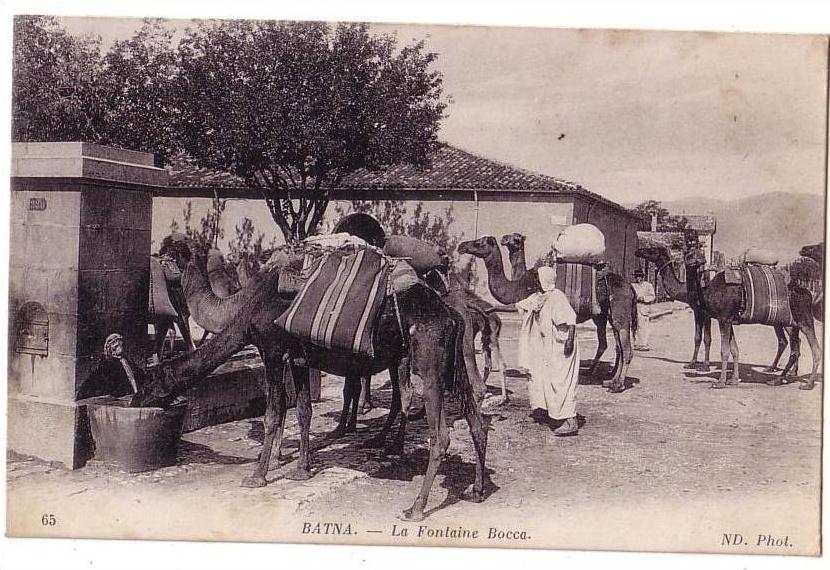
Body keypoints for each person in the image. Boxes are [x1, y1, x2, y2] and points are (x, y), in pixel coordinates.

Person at [516, 265, 580, 436]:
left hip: (562, 344)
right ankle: (550, 413)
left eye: (538, 279)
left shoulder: (557, 296)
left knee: (561, 382)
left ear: (545, 280)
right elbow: (521, 305)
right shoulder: (538, 298)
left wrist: (569, 341)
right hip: (548, 347)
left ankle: (571, 421)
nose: (536, 282)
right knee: (543, 378)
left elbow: (570, 320)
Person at [76, 333, 147, 400]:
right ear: (110, 349)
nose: (120, 348)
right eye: (116, 346)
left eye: (121, 345)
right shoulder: (107, 365)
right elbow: (109, 386)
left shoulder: (127, 361)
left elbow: (138, 375)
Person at [632, 269, 656, 351]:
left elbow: (652, 296)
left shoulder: (648, 285)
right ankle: (636, 343)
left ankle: (643, 344)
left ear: (642, 277)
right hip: (634, 308)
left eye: (639, 276)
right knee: (634, 326)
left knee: (643, 327)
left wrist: (644, 298)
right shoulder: (633, 285)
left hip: (643, 307)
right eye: (636, 276)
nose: (638, 278)